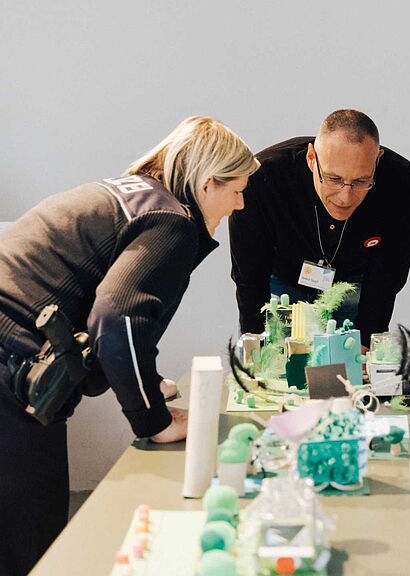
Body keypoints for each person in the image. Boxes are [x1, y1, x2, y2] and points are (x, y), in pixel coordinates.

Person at [0, 115, 259, 575]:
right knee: (32, 539)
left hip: (13, 347)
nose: (239, 204)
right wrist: (154, 420)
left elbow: (103, 311)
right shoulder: (172, 223)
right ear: (206, 184)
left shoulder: (132, 195)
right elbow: (118, 318)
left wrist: (146, 381)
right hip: (12, 366)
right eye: (236, 189)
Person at [229, 109, 410, 349]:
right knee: (272, 372)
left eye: (361, 181)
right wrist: (254, 343)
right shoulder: (261, 178)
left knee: (345, 376)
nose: (345, 196)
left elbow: (388, 275)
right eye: (333, 179)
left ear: (377, 161)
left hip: (352, 286)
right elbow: (249, 275)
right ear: (311, 158)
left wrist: (366, 340)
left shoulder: (401, 182)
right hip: (280, 284)